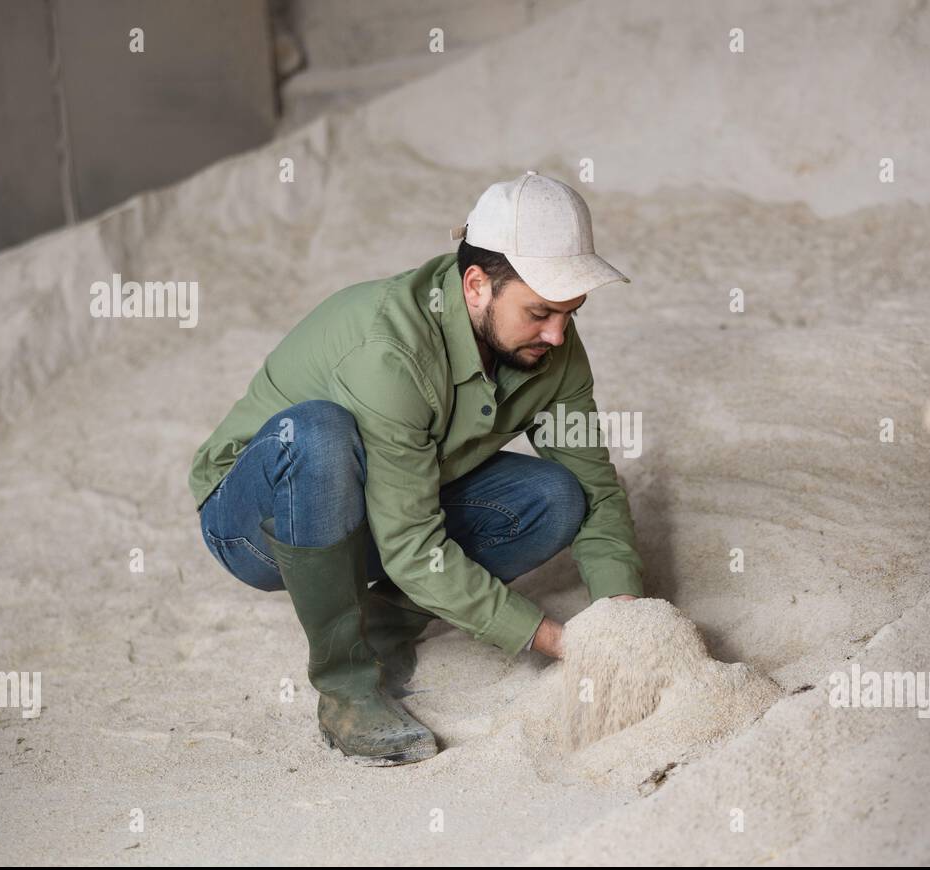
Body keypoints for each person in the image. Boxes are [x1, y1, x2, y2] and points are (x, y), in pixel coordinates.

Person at [187, 171, 645, 765]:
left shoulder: (551, 343)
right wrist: (557, 640)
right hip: (257, 522)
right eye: (539, 313)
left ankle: (382, 624)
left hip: (382, 505)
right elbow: (410, 543)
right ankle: (347, 686)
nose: (557, 334)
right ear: (476, 285)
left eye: (571, 311)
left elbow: (595, 485)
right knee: (320, 433)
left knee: (557, 497)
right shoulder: (391, 349)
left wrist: (623, 614)